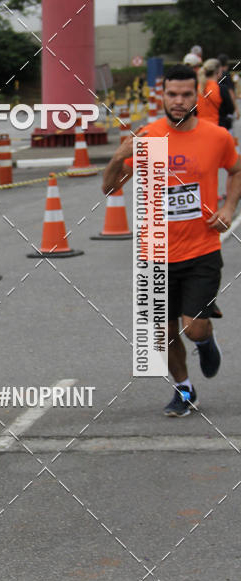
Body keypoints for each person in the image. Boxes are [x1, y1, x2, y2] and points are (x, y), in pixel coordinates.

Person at [102, 64, 241, 417]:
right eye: (172, 95)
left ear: (197, 96)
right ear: (162, 96)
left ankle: (205, 339)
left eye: (185, 95)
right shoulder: (148, 137)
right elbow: (109, 188)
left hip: (202, 249)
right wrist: (120, 155)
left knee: (193, 329)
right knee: (161, 333)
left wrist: (228, 205)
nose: (178, 102)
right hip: (155, 252)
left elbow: (236, 169)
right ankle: (184, 388)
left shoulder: (217, 136)